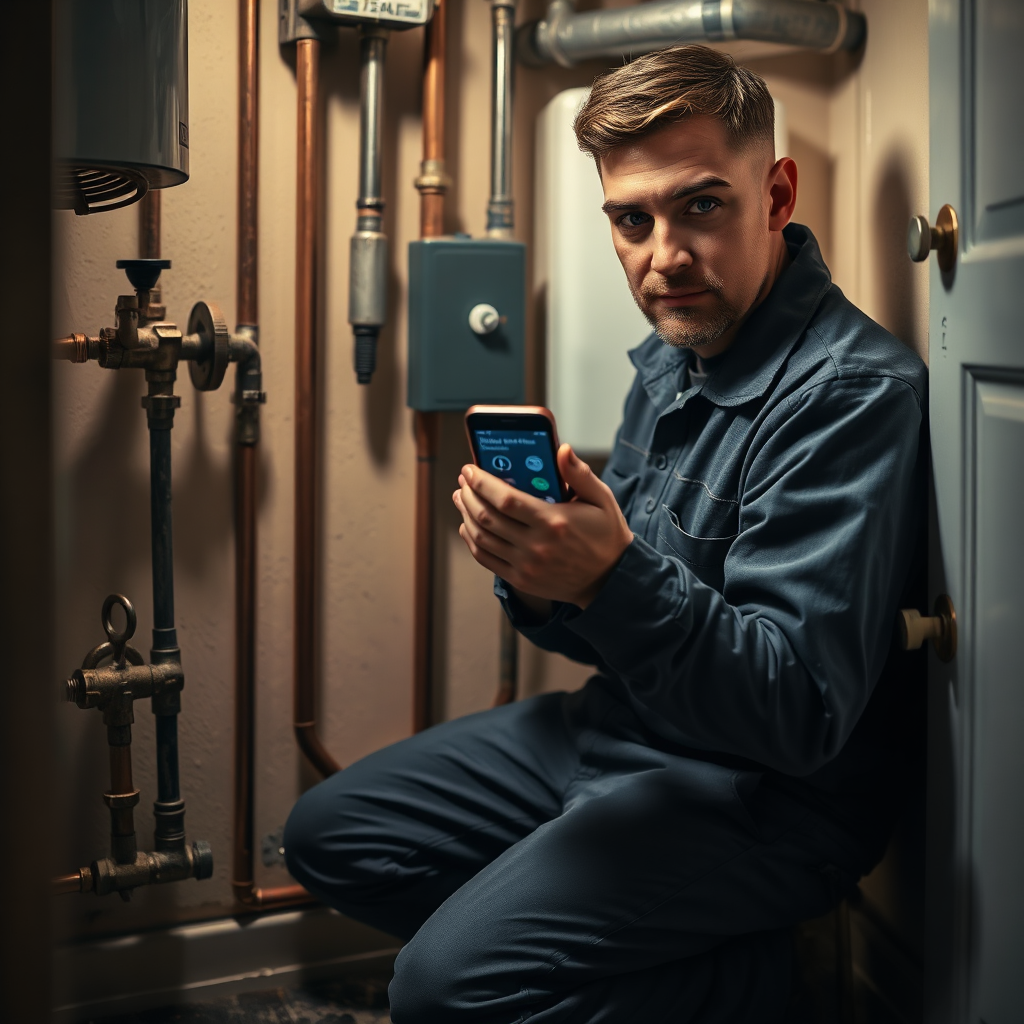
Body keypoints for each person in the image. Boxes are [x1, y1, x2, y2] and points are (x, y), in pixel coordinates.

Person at [284, 45, 926, 1023]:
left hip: (764, 796)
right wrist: (542, 575)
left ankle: (750, 980)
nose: (663, 255)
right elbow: (601, 625)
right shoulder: (675, 352)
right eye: (632, 220)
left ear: (776, 195)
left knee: (439, 990)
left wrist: (610, 579)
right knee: (330, 834)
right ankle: (647, 950)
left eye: (700, 205)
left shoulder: (848, 394)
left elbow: (796, 715)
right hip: (621, 725)